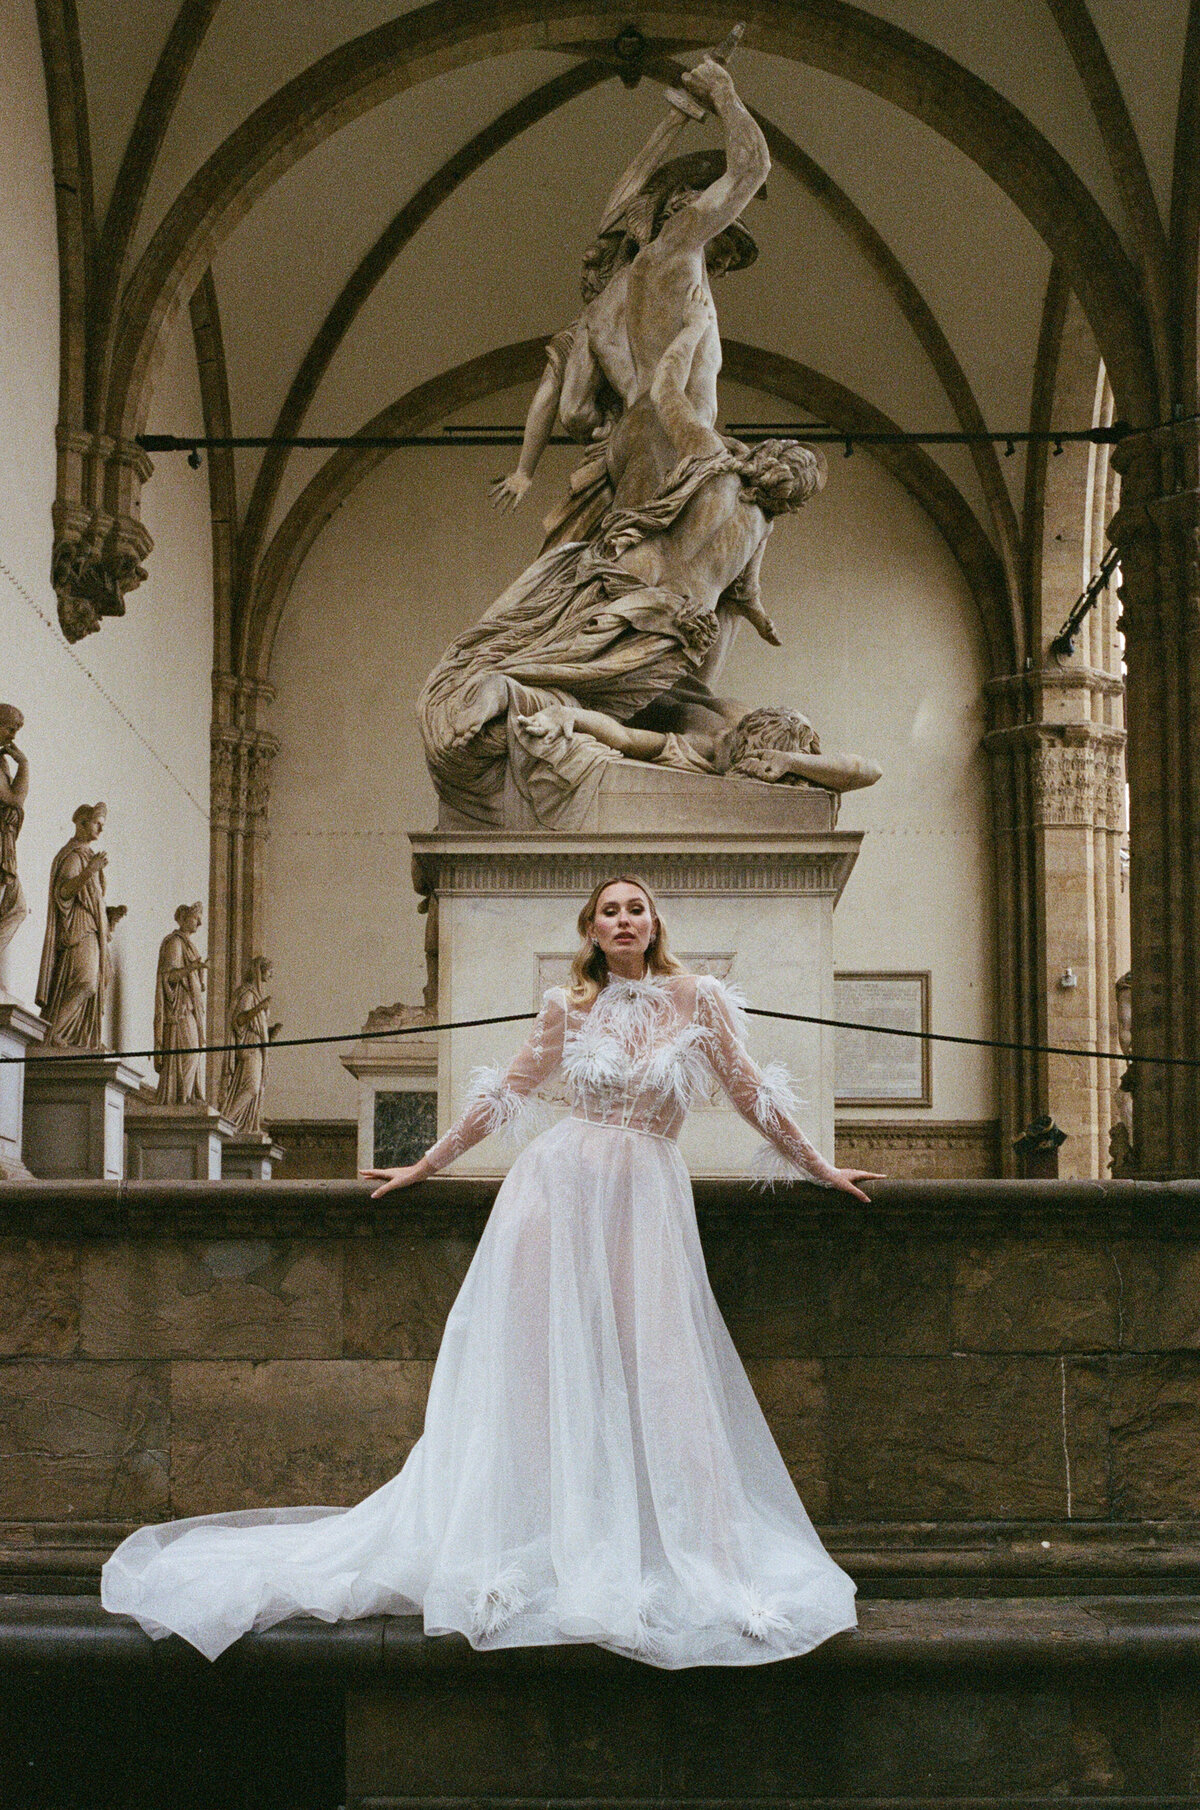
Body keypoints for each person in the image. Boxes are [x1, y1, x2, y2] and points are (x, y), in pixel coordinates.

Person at [101, 877, 879, 1667]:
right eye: (608, 910)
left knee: (661, 1366)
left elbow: (752, 1093)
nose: (622, 920)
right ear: (590, 928)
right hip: (560, 1194)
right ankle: (541, 1537)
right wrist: (425, 1164)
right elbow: (506, 1093)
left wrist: (822, 1166)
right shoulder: (566, 1006)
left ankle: (684, 1546)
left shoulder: (699, 999)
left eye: (634, 908)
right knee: (546, 1370)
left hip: (647, 1200)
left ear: (654, 923)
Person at [518, 700, 884, 793]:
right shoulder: (706, 747)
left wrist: (790, 761)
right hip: (662, 705)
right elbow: (625, 737)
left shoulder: (791, 749)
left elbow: (869, 770)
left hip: (725, 710)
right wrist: (567, 713)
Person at [36, 802, 111, 1047]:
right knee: (86, 982)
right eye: (97, 823)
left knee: (97, 980)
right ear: (82, 822)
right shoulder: (73, 855)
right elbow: (65, 891)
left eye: (102, 825)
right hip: (79, 928)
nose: (100, 829)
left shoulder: (88, 855)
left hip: (93, 928)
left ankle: (77, 1037)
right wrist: (90, 871)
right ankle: (52, 1033)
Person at [153, 903, 208, 1105]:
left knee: (195, 1052)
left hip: (191, 1010)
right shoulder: (175, 943)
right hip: (180, 1011)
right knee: (190, 1052)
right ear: (184, 918)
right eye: (196, 917)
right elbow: (169, 978)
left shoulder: (188, 945)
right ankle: (180, 1098)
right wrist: (192, 968)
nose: (200, 922)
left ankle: (187, 1095)